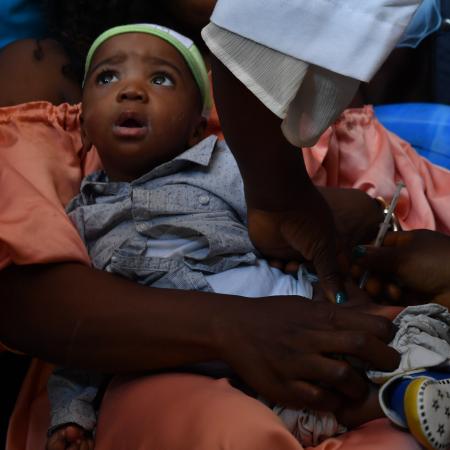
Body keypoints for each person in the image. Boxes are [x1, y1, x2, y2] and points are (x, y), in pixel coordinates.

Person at [43, 24, 450, 450]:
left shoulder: (216, 167)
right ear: (83, 124)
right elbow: (85, 340)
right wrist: (71, 416)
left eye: (160, 79)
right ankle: (405, 399)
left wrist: (345, 262)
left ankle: (416, 387)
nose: (131, 90)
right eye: (108, 77)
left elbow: (293, 223)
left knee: (380, 337)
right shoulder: (78, 221)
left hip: (285, 309)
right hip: (194, 363)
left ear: (197, 129)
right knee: (308, 405)